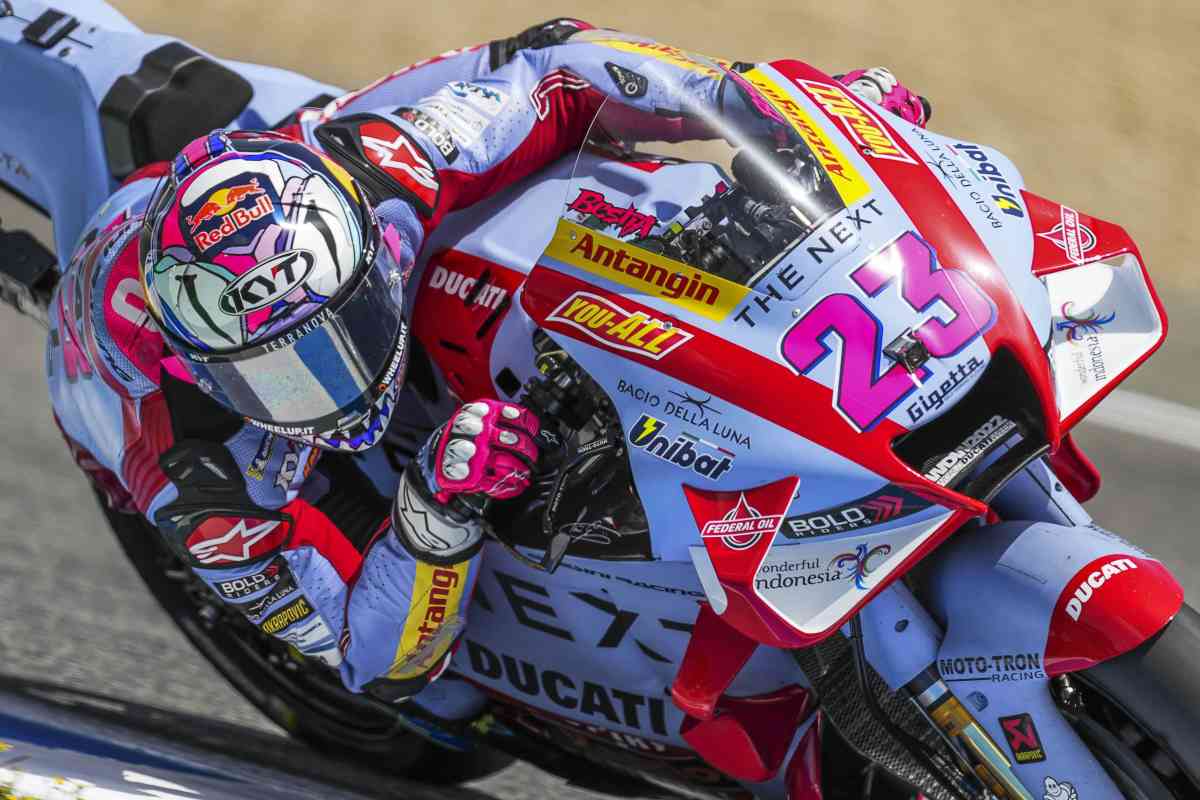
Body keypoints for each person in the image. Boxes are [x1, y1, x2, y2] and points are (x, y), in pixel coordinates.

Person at [47, 19, 931, 702]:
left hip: (291, 153)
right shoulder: (191, 468)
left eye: (343, 333)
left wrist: (761, 105)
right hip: (116, 379)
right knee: (438, 695)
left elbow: (563, 76)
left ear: (369, 258)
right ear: (205, 369)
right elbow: (370, 659)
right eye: (280, 374)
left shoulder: (380, 171)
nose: (332, 389)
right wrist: (434, 513)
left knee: (549, 41)